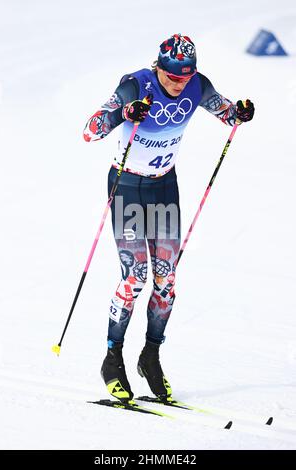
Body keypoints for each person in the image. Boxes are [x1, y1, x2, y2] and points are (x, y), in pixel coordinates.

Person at [83, 33, 254, 403]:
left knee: (167, 279)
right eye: (173, 76)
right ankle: (112, 359)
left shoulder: (197, 85)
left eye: (185, 77)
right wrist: (123, 114)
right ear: (158, 66)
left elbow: (226, 112)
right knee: (135, 277)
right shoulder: (135, 85)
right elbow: (90, 130)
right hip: (128, 186)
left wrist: (239, 113)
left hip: (164, 188)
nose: (179, 83)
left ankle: (151, 355)